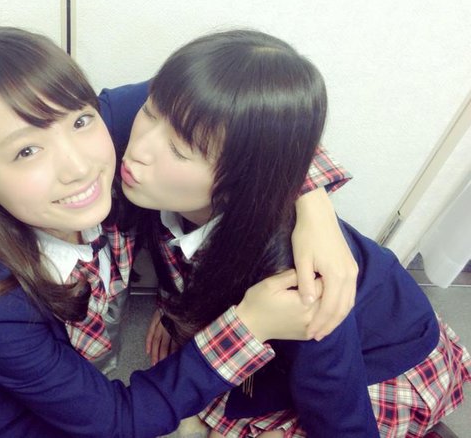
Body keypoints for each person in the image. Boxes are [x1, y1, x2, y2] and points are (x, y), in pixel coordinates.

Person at [0, 26, 329, 438]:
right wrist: (248, 327)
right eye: (27, 151)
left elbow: (238, 105)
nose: (80, 167)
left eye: (80, 121)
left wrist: (314, 207)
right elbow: (117, 421)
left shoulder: (117, 139)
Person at [118, 29, 471, 437]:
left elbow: (335, 398)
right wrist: (177, 312)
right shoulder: (161, 186)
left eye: (180, 150)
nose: (138, 148)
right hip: (294, 338)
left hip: (374, 359)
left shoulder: (296, 277)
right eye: (149, 111)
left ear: (241, 180)